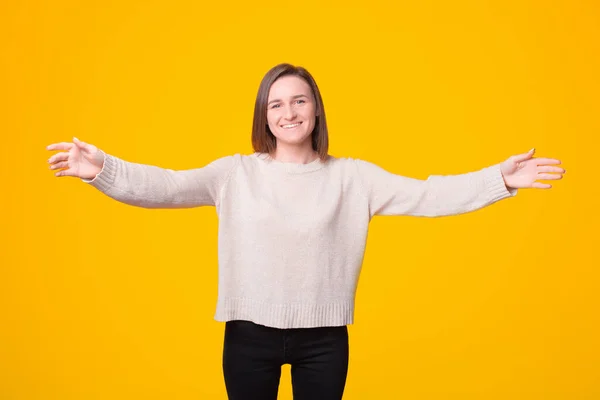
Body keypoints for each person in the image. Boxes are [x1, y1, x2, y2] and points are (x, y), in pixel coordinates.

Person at [46, 63, 565, 400]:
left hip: (324, 340)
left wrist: (499, 178)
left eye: (298, 101)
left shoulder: (352, 178)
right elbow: (165, 185)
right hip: (248, 335)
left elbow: (428, 195)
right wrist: (104, 169)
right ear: (264, 116)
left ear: (315, 108)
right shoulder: (236, 174)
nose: (288, 112)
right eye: (276, 104)